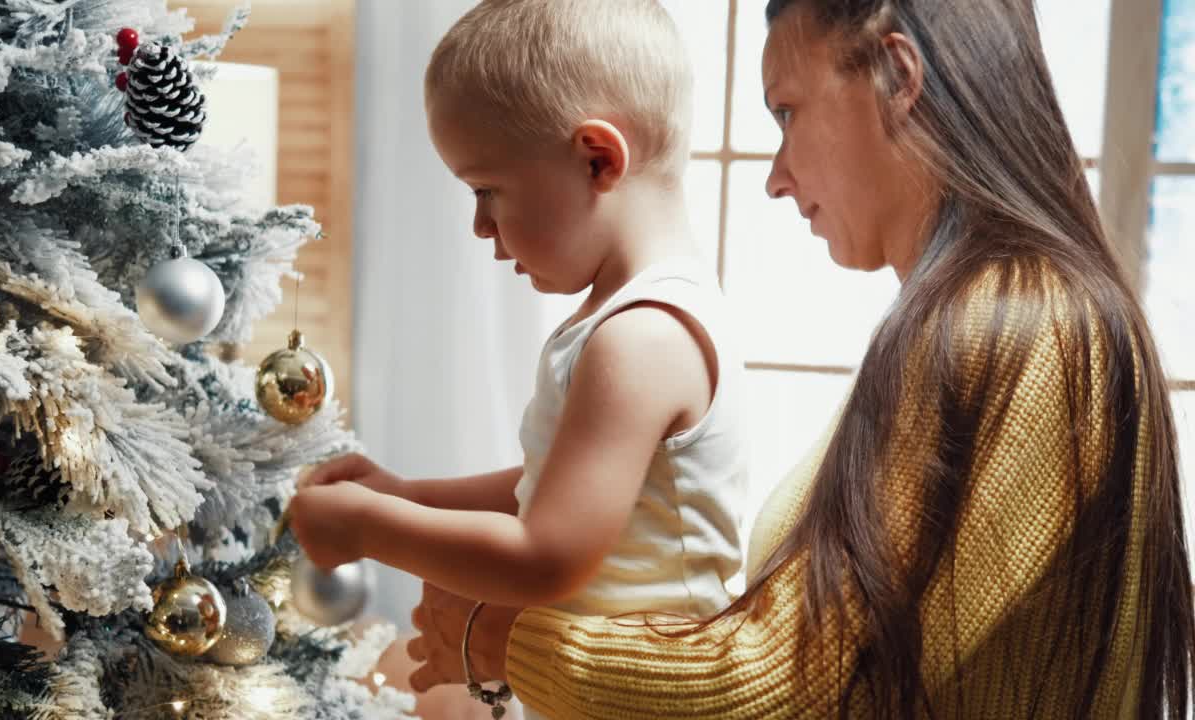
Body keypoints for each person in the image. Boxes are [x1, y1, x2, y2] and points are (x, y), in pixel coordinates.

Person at [402, 1, 1195, 718]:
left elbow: (795, 683)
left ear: (896, 74)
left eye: (787, 110)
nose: (777, 178)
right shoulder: (994, 314)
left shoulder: (1018, 326)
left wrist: (512, 644)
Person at [289, 0, 748, 714]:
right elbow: (548, 484)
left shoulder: (643, 337)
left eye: (487, 191)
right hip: (580, 691)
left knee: (420, 695)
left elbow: (546, 554)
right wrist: (405, 495)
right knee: (425, 696)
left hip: (640, 701)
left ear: (598, 159)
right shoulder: (625, 320)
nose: (479, 225)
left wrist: (367, 527)